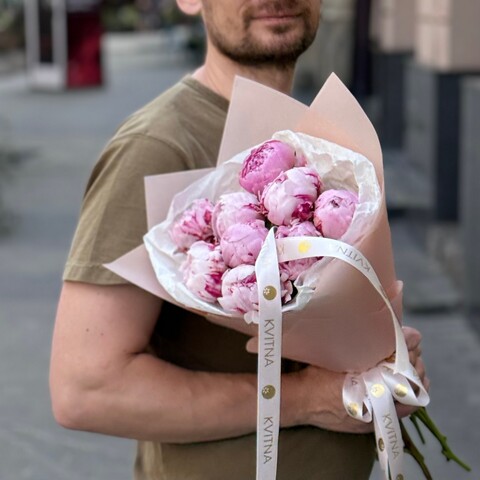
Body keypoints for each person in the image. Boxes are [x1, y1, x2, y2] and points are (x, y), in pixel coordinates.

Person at [49, 1, 428, 479]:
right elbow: (86, 390)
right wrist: (310, 399)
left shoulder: (316, 136)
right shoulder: (158, 146)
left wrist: (379, 365)